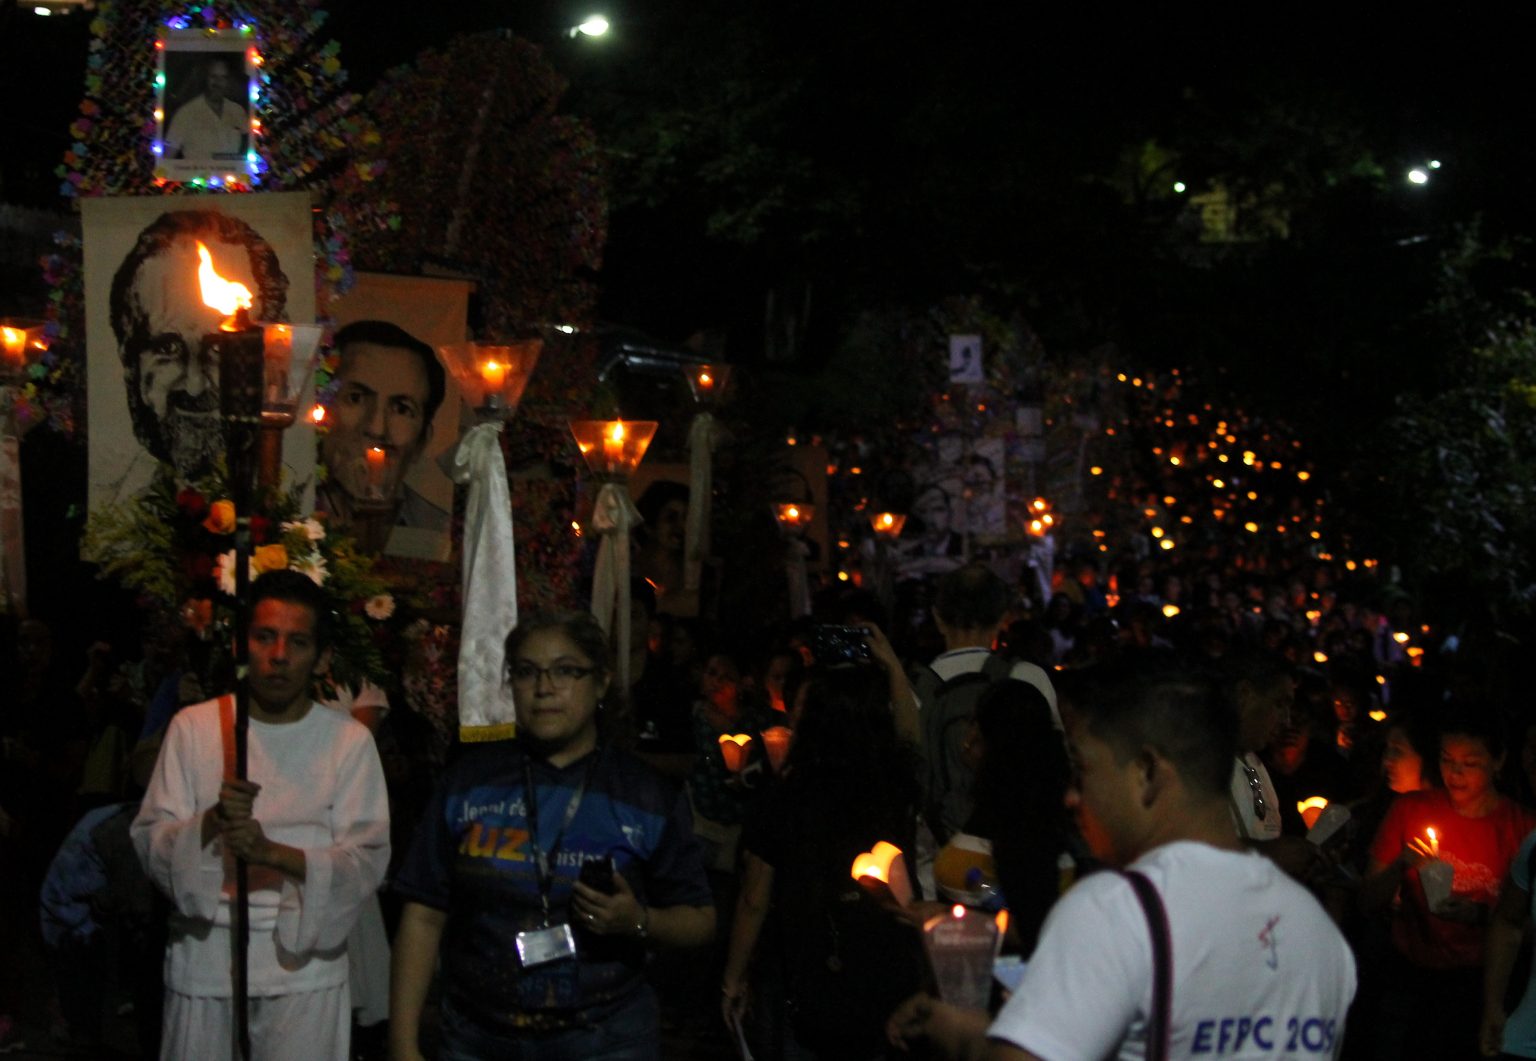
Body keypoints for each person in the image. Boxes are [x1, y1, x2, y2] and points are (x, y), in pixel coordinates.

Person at [887, 659, 1357, 1061]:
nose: (1072, 796)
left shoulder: (1118, 911)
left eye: (1084, 768)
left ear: (1147, 772)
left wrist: (965, 1036)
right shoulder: (1315, 931)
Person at [389, 610, 715, 1060]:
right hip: (479, 1036)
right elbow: (424, 913)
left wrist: (639, 921)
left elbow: (700, 919)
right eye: (527, 672)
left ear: (600, 683)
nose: (544, 688)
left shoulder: (643, 795)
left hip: (603, 1038)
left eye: (565, 671)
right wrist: (403, 1044)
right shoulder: (469, 783)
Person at [131, 570, 390, 1060]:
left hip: (304, 966)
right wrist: (211, 823)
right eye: (265, 637)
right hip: (207, 957)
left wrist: (273, 854)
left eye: (298, 642)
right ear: (241, 645)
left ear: (322, 658)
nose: (279, 655)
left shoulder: (347, 742)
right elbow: (150, 838)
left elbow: (366, 860)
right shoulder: (195, 728)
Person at [721, 662, 926, 1061]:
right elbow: (911, 737)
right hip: (888, 965)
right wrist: (891, 664)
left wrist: (732, 978)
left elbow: (754, 898)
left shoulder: (789, 794)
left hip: (814, 969)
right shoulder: (895, 787)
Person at [1361, 704, 1536, 1060]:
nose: (1454, 773)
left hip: (1482, 985)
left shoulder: (1522, 828)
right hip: (1413, 980)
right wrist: (1400, 865)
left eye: (1470, 763)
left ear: (1498, 761)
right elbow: (1366, 900)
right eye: (1446, 760)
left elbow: (1526, 924)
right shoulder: (1409, 810)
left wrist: (1480, 915)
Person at [109, 208, 289, 479]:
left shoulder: (289, 502)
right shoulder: (114, 504)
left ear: (272, 359)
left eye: (220, 347)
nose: (194, 386)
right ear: (130, 362)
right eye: (167, 348)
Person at [917, 563, 1058, 843]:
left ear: (938, 618)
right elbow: (1054, 770)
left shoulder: (913, 687)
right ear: (1003, 619)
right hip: (1014, 845)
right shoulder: (1027, 678)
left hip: (938, 851)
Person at [314, 320, 448, 535]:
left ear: (422, 441)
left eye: (401, 409)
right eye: (356, 398)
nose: (376, 429)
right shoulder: (287, 509)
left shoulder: (436, 529)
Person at [164, 56, 248, 160]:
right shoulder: (185, 113)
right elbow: (167, 158)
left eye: (223, 77)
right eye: (213, 76)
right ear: (205, 78)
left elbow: (250, 146)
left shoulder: (237, 110)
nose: (218, 83)